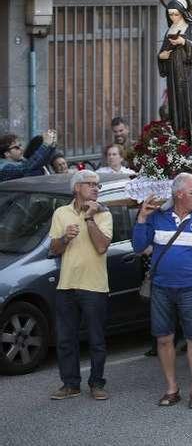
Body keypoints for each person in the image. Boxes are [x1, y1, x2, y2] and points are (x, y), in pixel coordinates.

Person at [132, 173, 192, 410]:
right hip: (161, 289)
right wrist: (141, 218)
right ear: (179, 194)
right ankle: (172, 388)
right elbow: (138, 246)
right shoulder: (157, 218)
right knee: (163, 339)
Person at [48, 170, 113, 401]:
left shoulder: (103, 213)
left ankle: (97, 383)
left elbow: (102, 247)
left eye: (98, 185)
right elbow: (53, 249)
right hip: (66, 284)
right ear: (77, 188)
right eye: (90, 184)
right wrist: (65, 238)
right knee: (65, 339)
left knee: (96, 339)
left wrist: (89, 218)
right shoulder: (61, 213)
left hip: (94, 285)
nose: (96, 188)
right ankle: (70, 384)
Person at [157, 0, 192, 148]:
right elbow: (163, 51)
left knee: (191, 107)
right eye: (170, 14)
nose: (173, 17)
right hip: (173, 76)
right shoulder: (170, 29)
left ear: (183, 13)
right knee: (176, 108)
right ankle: (180, 141)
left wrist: (184, 43)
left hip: (188, 75)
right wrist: (161, 57)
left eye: (176, 14)